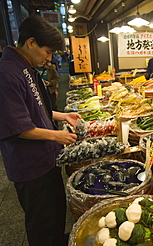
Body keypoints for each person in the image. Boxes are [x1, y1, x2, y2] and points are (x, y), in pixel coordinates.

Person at [0, 15, 81, 246]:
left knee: (54, 212)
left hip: (46, 157)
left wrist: (62, 115)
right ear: (31, 42)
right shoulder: (7, 72)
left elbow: (34, 110)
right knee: (41, 221)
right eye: (48, 51)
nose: (49, 58)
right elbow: (17, 127)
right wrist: (57, 135)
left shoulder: (25, 66)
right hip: (30, 166)